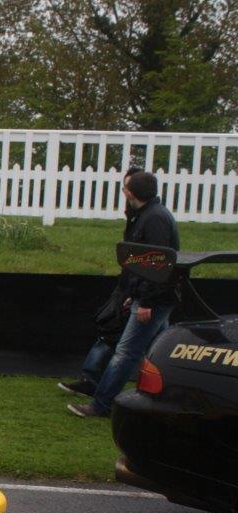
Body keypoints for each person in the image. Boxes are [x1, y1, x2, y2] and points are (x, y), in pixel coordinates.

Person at [60, 167, 177, 418]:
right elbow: (141, 263)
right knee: (161, 351)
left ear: (132, 192)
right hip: (149, 297)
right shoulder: (145, 215)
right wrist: (133, 293)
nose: (123, 192)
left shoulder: (153, 218)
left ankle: (101, 404)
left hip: (152, 300)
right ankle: (170, 397)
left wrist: (145, 300)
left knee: (124, 353)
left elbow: (157, 264)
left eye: (125, 188)